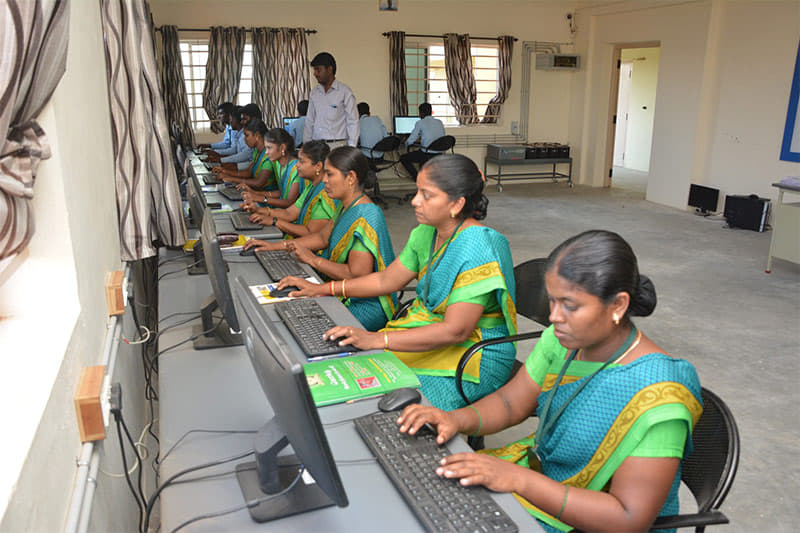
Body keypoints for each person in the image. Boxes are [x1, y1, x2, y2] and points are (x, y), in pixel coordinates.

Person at [396, 230, 703, 533]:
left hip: (593, 520)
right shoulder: (562, 342)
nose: (554, 316)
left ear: (618, 306)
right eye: (552, 301)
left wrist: (519, 480)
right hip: (543, 483)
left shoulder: (660, 395)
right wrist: (453, 419)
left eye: (570, 305)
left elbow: (627, 519)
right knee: (424, 495)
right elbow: (510, 403)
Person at [278, 154, 517, 407]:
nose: (415, 201)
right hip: (432, 333)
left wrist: (377, 339)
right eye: (417, 191)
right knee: (353, 374)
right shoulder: (426, 232)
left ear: (456, 204)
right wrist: (321, 289)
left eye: (427, 195)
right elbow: (385, 281)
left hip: (474, 356)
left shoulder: (478, 246)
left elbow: (456, 330)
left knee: (382, 399)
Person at [248, 147, 395, 330]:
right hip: (341, 289)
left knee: (301, 324)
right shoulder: (347, 206)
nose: (324, 180)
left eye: (329, 174)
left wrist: (314, 260)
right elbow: (321, 237)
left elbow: (355, 275)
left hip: (363, 304)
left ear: (350, 177)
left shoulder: (366, 216)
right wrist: (274, 246)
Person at [245, 141, 338, 239]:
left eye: (302, 161)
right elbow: (290, 213)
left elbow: (309, 232)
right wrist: (259, 210)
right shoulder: (312, 186)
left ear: (318, 166)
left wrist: (275, 221)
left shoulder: (325, 194)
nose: (297, 165)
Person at [236, 128, 305, 209]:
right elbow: (281, 193)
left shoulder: (295, 168)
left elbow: (289, 202)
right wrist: (254, 193)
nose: (266, 152)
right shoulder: (278, 164)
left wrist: (260, 198)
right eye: (266, 148)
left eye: (269, 148)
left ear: (282, 147)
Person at [303, 52, 359, 149]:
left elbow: (353, 121)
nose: (315, 74)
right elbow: (310, 121)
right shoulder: (314, 93)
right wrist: (306, 145)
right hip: (317, 146)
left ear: (329, 69)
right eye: (314, 70)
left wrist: (351, 147)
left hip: (338, 146)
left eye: (318, 70)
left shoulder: (345, 92)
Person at [210, 119, 275, 191]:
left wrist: (231, 179)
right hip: (254, 193)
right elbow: (248, 173)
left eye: (247, 135)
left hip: (264, 197)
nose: (244, 139)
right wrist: (226, 171)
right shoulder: (257, 151)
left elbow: (258, 183)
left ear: (257, 136)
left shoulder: (268, 155)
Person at [400, 102, 446, 180]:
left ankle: (418, 178)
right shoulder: (439, 122)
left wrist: (404, 142)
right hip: (439, 154)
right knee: (420, 152)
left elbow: (410, 140)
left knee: (403, 158)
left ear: (421, 113)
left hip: (426, 155)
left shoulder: (420, 123)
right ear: (431, 112)